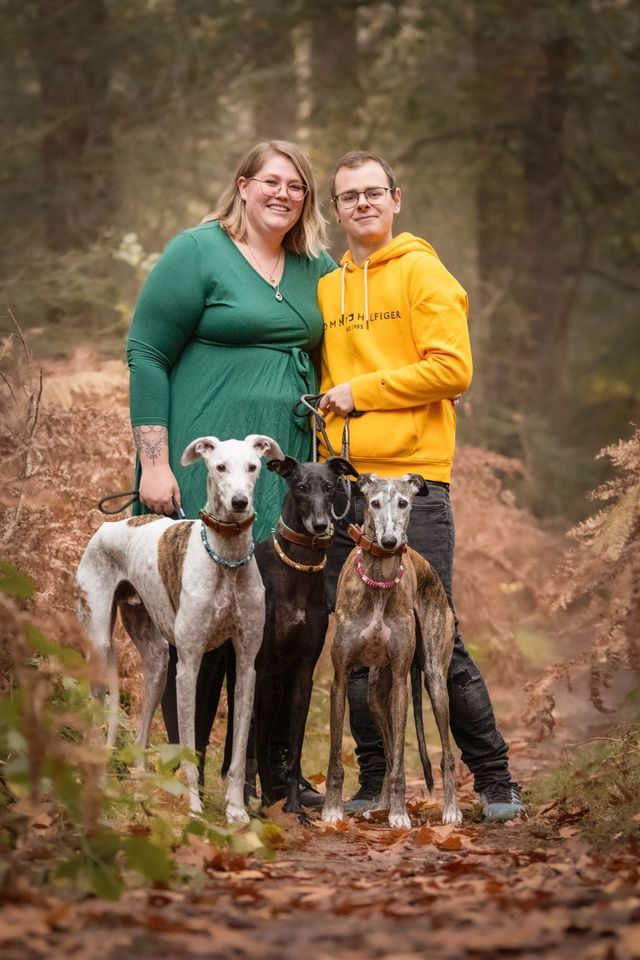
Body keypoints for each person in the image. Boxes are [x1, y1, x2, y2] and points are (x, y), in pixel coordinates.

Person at [316, 150, 524, 822]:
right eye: (349, 196)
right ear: (335, 210)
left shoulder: (424, 272)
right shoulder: (328, 287)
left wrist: (362, 392)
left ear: (396, 198)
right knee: (356, 640)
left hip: (415, 488)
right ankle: (377, 782)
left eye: (373, 192)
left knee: (438, 638)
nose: (363, 203)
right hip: (349, 490)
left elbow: (453, 369)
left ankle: (495, 781)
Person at [126, 140, 334, 800]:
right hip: (204, 468)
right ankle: (182, 781)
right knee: (197, 627)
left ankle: (264, 778)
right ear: (242, 185)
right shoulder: (198, 251)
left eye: (297, 186)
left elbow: (350, 340)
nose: (283, 194)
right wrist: (155, 464)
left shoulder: (315, 265)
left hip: (275, 478)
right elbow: (146, 352)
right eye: (271, 181)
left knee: (268, 627)